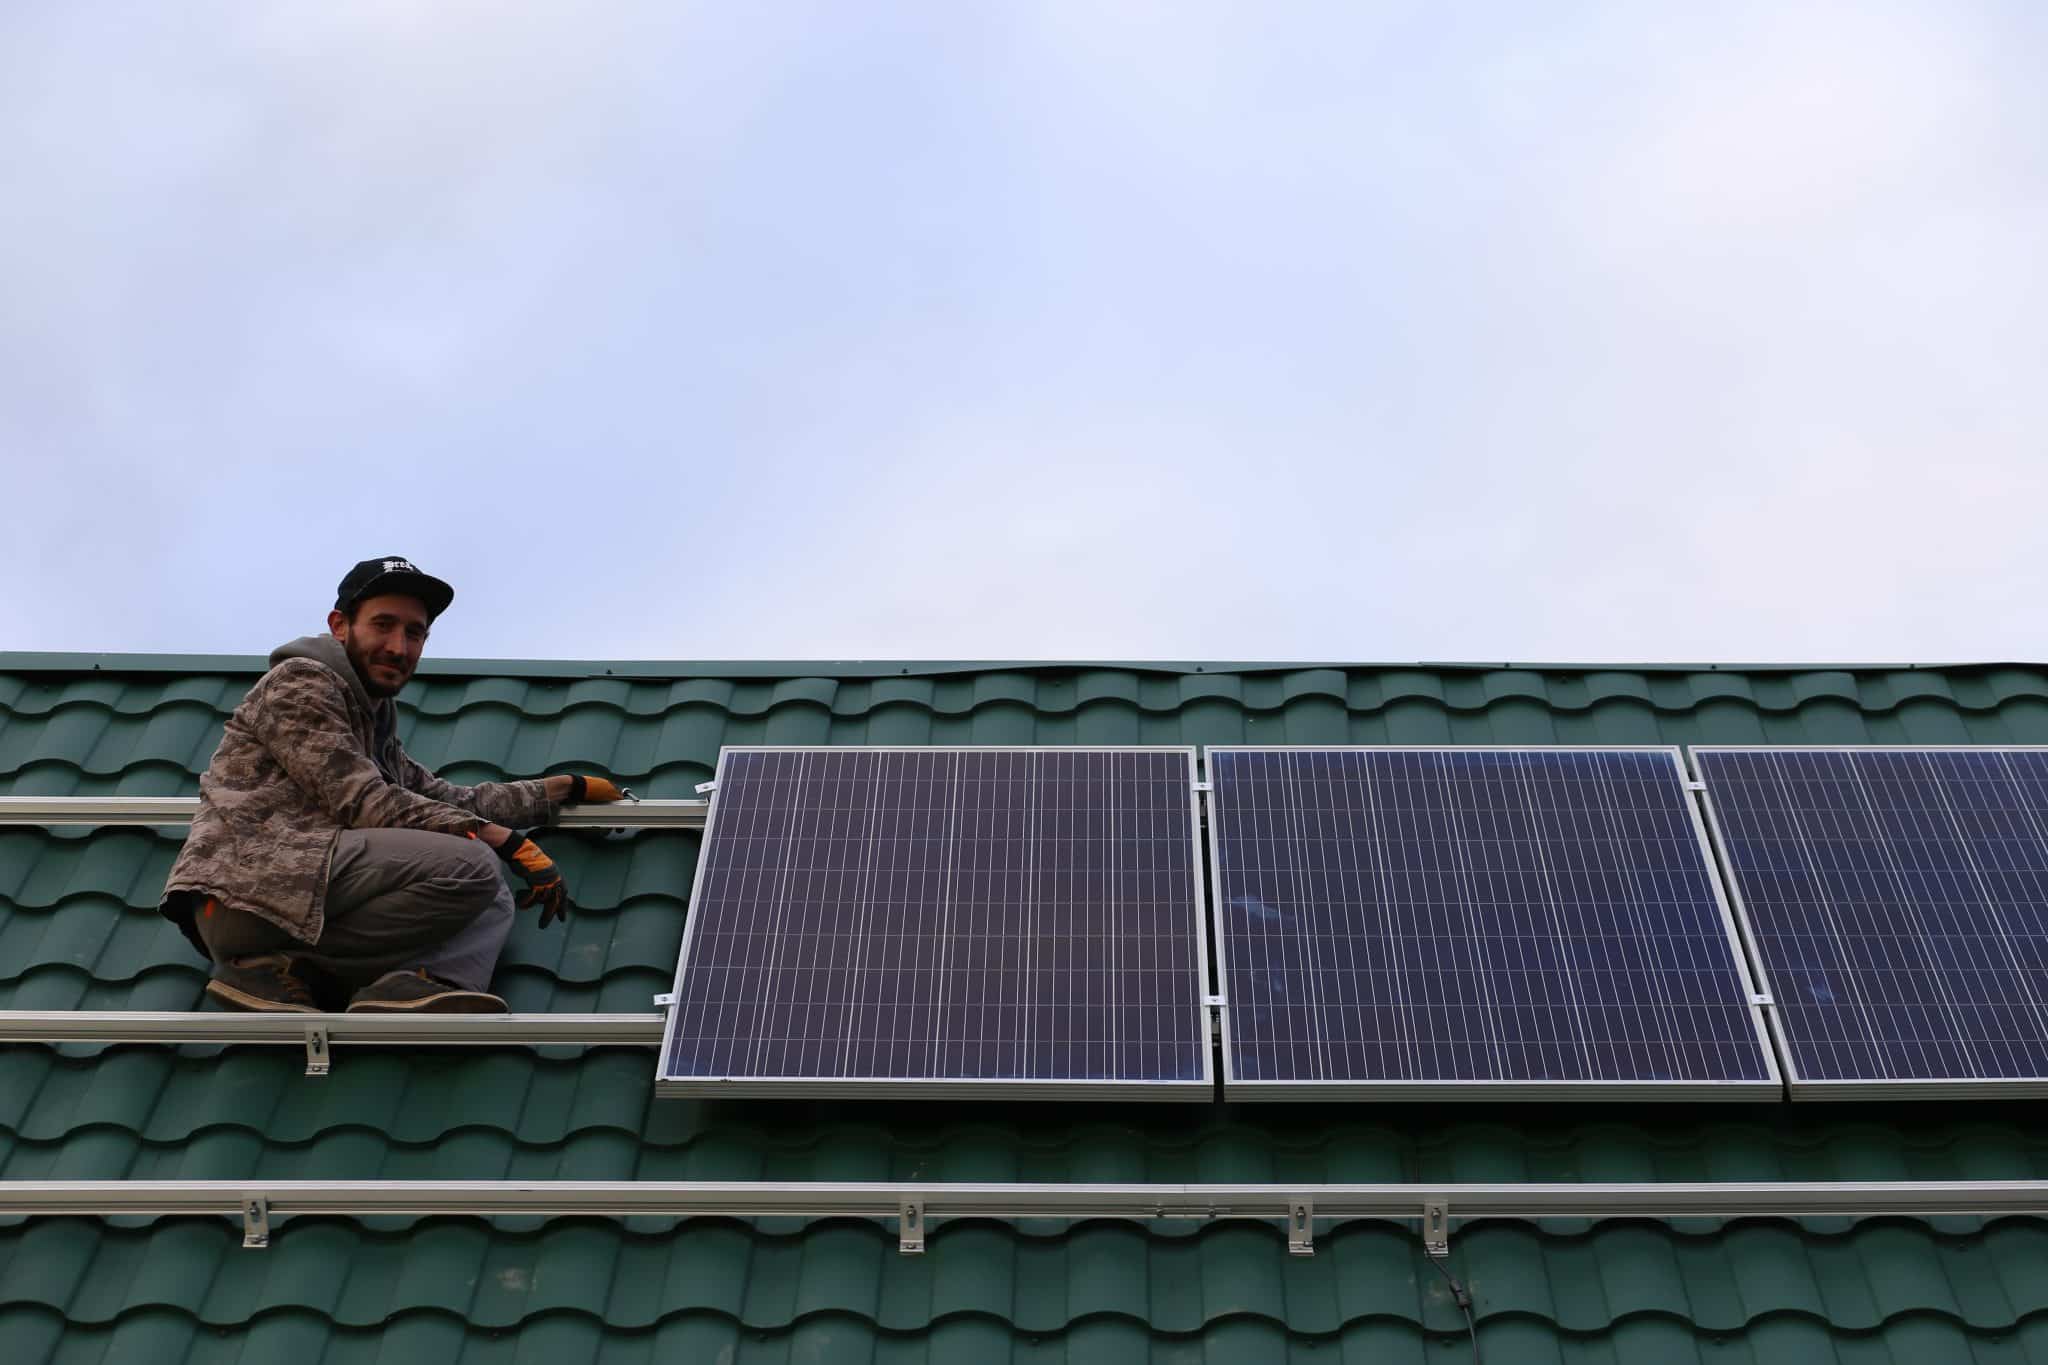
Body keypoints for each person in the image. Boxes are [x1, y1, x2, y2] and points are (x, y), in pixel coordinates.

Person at [157, 556, 631, 1013]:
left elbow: (444, 799)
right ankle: (262, 966)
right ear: (340, 625)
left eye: (414, 632)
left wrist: (559, 790)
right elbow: (365, 802)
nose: (399, 648)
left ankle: (414, 989)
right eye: (382, 625)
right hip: (246, 896)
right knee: (474, 864)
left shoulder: (371, 718)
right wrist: (503, 841)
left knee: (492, 893)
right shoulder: (299, 684)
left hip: (305, 894)